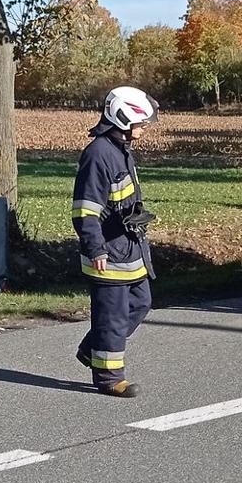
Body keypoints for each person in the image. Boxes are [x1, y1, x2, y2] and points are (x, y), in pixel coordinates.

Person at [72, 86, 159, 397]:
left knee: (141, 302)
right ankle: (109, 378)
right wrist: (95, 248)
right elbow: (85, 210)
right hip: (107, 252)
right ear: (123, 118)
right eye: (141, 123)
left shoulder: (119, 149)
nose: (144, 130)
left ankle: (92, 348)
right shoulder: (98, 154)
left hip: (128, 246)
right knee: (112, 315)